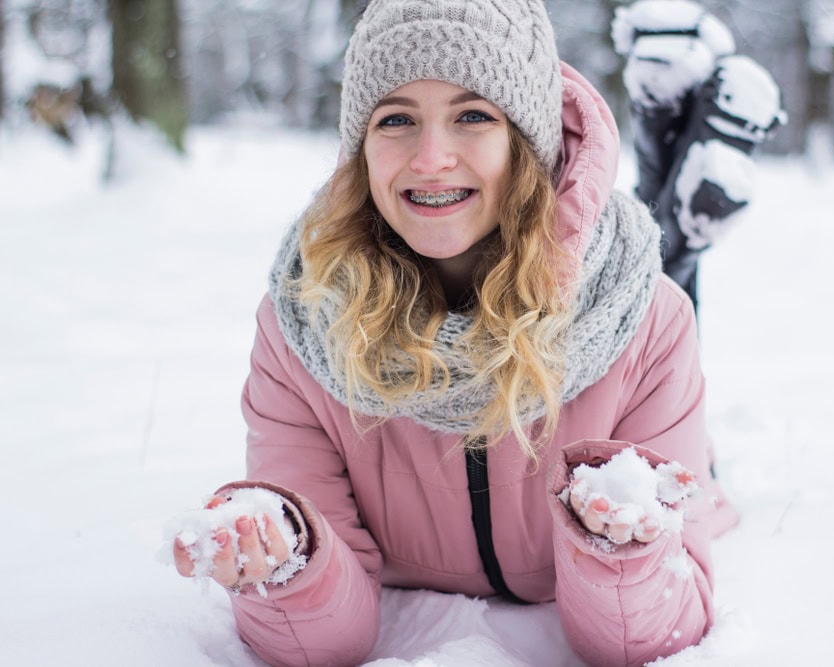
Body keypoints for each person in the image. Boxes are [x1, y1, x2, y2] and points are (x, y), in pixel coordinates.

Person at [171, 1, 738, 665]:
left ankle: (672, 176)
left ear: (526, 141)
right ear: (360, 150)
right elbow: (324, 643)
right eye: (396, 119)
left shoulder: (644, 321)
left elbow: (656, 640)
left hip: (605, 327)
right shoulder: (302, 325)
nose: (431, 158)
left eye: (473, 116)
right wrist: (281, 560)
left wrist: (626, 549)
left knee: (700, 469)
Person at [612, 0, 786, 314]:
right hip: (690, 52)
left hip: (661, 54)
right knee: (666, 229)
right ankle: (682, 236)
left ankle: (674, 247)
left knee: (655, 200)